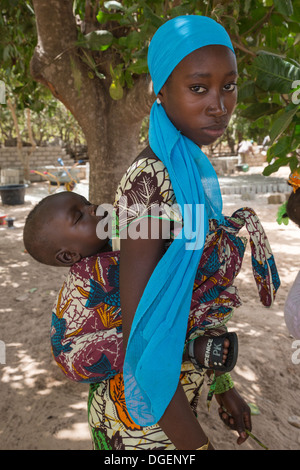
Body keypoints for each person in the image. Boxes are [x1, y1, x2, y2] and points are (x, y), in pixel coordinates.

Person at [108, 15, 279, 451]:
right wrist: (196, 446)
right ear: (161, 92)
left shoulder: (193, 170)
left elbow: (199, 298)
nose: (219, 105)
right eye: (199, 88)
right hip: (148, 418)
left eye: (229, 85)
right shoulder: (148, 183)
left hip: (181, 392)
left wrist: (222, 386)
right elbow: (142, 338)